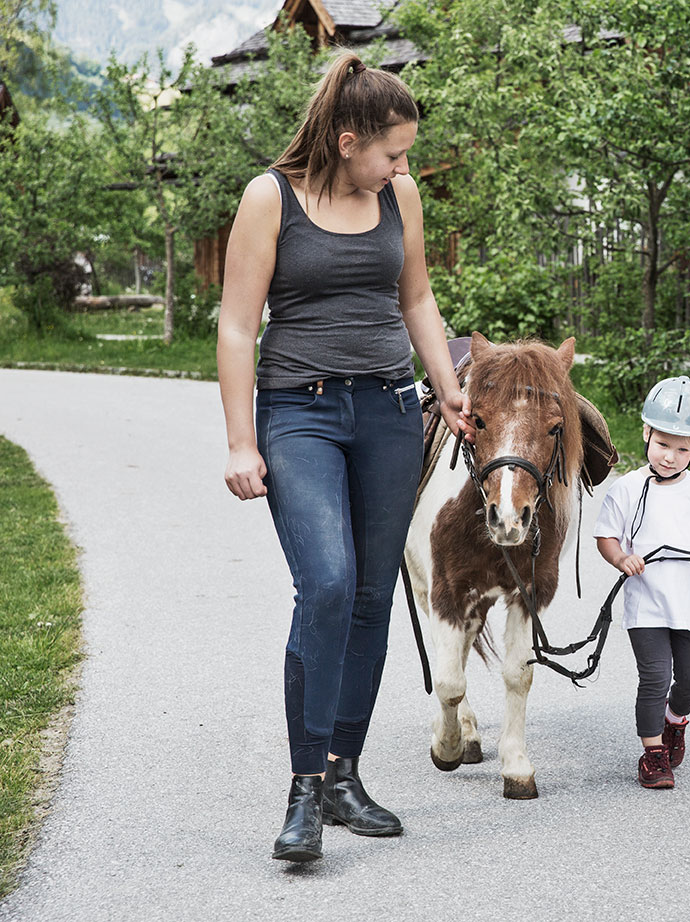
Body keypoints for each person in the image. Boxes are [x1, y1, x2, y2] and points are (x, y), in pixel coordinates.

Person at [217, 53, 472, 862]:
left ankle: (342, 775)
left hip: (391, 411)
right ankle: (301, 790)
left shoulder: (397, 195)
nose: (403, 167)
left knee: (369, 595)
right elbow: (235, 326)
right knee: (325, 583)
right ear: (347, 137)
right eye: (392, 153)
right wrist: (239, 440)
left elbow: (418, 297)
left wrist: (447, 387)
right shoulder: (271, 198)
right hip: (300, 410)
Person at [593, 376, 690, 789]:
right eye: (662, 445)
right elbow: (606, 536)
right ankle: (653, 755)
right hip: (647, 606)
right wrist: (621, 558)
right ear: (645, 433)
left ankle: (675, 720)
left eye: (681, 449)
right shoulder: (627, 488)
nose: (670, 457)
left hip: (689, 606)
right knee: (655, 677)